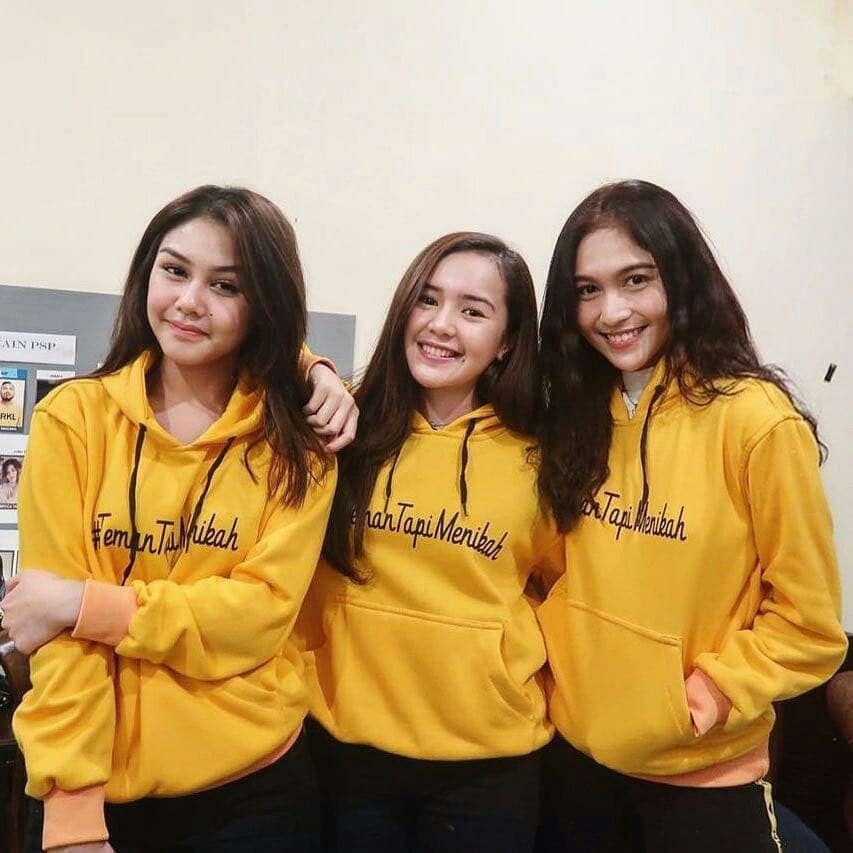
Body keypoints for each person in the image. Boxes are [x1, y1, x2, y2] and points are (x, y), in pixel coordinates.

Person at [0, 184, 358, 852]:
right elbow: (58, 643)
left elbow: (255, 618)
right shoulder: (72, 419)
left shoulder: (300, 447)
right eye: (174, 270)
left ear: (263, 304)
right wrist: (74, 814)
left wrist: (84, 602)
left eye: (226, 285)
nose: (190, 300)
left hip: (254, 789)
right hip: (95, 791)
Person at [534, 180, 847, 852]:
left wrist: (697, 703)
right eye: (587, 289)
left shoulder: (757, 421)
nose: (610, 311)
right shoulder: (574, 416)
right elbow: (551, 579)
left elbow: (809, 626)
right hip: (574, 766)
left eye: (635, 279)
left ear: (681, 278)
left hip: (701, 777)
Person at [298, 232, 562, 852]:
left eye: (473, 311)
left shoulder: (544, 459)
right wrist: (312, 367)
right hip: (345, 755)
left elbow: (563, 591)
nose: (441, 324)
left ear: (507, 343)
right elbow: (254, 336)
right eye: (428, 299)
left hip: (488, 768)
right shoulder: (341, 428)